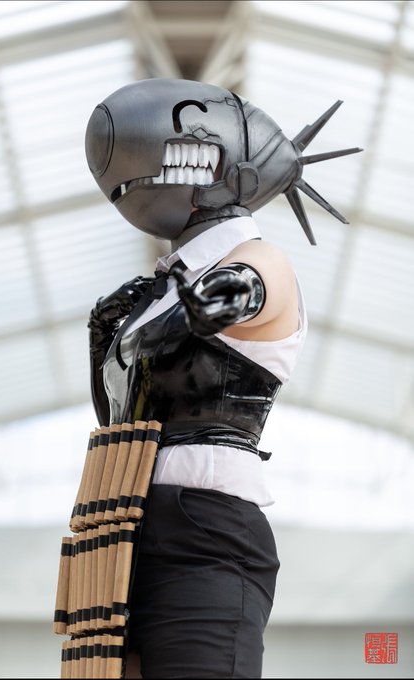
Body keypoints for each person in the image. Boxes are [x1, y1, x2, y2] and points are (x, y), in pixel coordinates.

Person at [85, 78, 361, 679]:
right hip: (127, 528)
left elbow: (222, 304)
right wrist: (111, 333)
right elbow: (121, 416)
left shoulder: (258, 260)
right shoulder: (160, 288)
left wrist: (150, 320)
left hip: (205, 529)